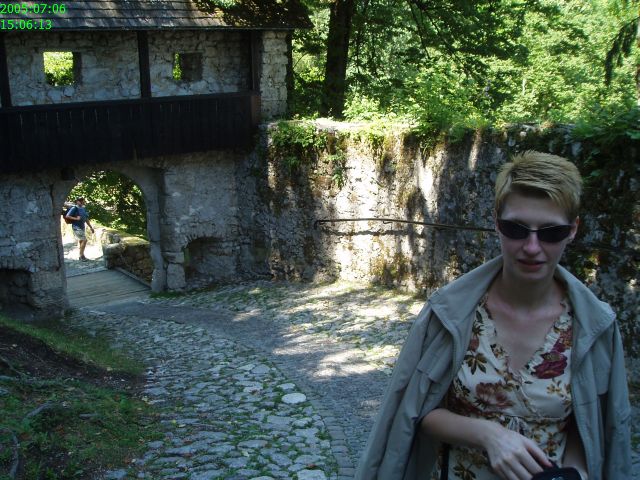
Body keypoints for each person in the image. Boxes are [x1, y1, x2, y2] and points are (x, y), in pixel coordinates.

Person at [355, 151, 631, 480]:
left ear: (573, 230)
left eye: (550, 232)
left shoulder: (594, 326)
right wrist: (488, 435)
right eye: (516, 229)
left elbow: (591, 426)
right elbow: (416, 409)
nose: (532, 247)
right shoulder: (451, 312)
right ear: (497, 223)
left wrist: (574, 475)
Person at [65, 196, 95, 261]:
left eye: (82, 200)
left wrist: (91, 227)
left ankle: (81, 255)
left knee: (81, 241)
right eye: (79, 200)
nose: (81, 201)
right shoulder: (74, 208)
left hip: (82, 227)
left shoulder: (83, 208)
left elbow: (86, 219)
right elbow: (67, 216)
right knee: (84, 240)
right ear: (77, 201)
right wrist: (76, 218)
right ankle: (81, 256)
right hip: (76, 227)